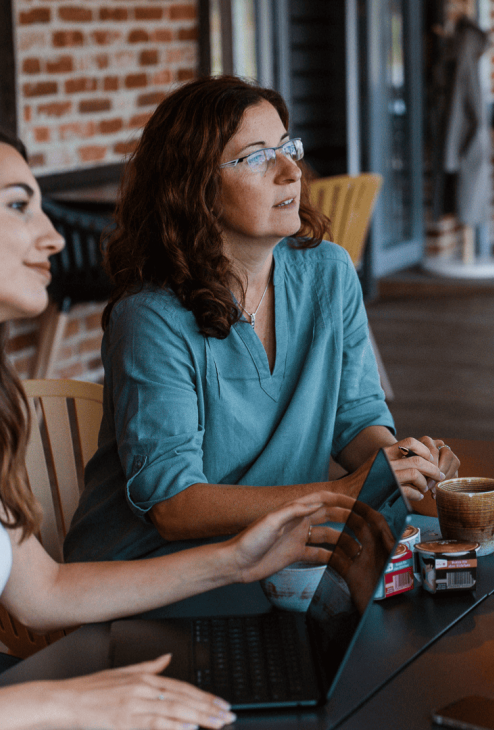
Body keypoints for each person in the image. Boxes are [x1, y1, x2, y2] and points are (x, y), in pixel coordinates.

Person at [0, 117, 366, 728]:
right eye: (19, 206)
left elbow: (44, 595)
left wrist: (238, 561)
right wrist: (63, 702)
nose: (53, 238)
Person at [62, 76, 459, 562]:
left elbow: (356, 419)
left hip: (276, 555)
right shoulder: (151, 318)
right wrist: (344, 493)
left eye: (287, 147)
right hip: (154, 577)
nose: (291, 170)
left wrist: (400, 465)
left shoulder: (329, 274)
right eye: (255, 156)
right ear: (196, 188)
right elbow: (173, 505)